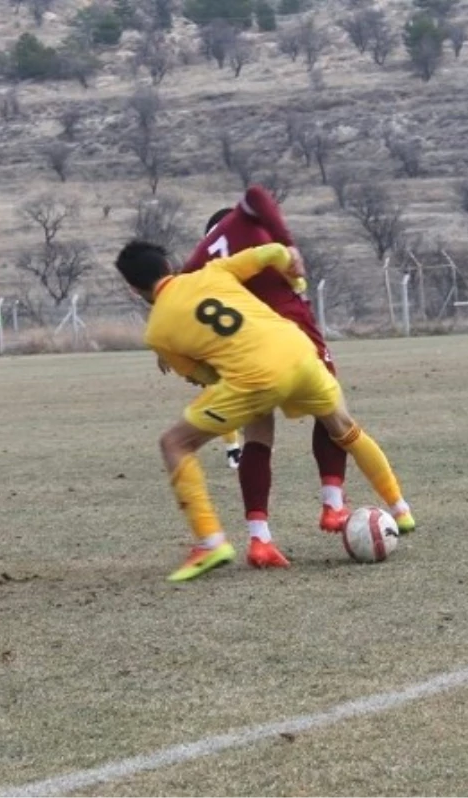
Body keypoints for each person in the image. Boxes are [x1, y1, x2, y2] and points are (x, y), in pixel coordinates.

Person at [115, 239, 415, 583]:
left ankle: (212, 541)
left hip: (255, 379)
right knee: (345, 429)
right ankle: (401, 510)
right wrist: (294, 267)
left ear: (134, 289)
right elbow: (269, 253)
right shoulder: (213, 270)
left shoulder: (157, 333)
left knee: (175, 444)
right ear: (170, 266)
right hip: (300, 353)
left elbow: (205, 376)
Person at [180, 186, 352, 560]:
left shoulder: (205, 271)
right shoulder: (257, 246)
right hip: (293, 341)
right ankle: (332, 505)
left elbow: (181, 308)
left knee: (258, 435)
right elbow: (258, 196)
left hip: (249, 358)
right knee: (334, 415)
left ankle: (259, 539)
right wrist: (289, 247)